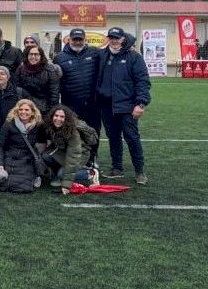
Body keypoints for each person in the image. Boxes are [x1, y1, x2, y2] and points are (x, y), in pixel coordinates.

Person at [96, 27, 150, 184]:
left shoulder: (134, 57)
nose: (114, 40)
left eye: (117, 38)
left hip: (127, 106)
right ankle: (117, 168)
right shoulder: (103, 55)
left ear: (123, 39)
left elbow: (143, 82)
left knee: (132, 138)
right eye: (111, 37)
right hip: (106, 106)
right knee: (113, 138)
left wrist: (140, 103)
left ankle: (139, 171)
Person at [54, 28, 102, 165]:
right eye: (75, 39)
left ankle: (93, 159)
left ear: (85, 39)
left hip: (92, 104)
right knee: (74, 133)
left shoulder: (95, 53)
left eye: (80, 39)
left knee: (93, 132)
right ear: (69, 40)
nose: (77, 42)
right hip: (71, 104)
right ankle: (75, 160)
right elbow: (56, 81)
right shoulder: (60, 57)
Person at [0, 99, 45, 194]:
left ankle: (35, 176)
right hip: (9, 156)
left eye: (27, 110)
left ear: (32, 112)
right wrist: (0, 165)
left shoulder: (38, 126)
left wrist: (37, 159)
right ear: (17, 111)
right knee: (2, 183)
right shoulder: (9, 124)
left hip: (26, 158)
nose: (23, 112)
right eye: (21, 109)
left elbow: (42, 142)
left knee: (24, 187)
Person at [42, 104, 100, 193]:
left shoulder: (72, 131)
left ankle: (91, 173)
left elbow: (73, 155)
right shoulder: (51, 125)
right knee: (46, 155)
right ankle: (58, 176)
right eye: (56, 116)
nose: (58, 119)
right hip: (65, 151)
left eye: (62, 117)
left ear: (67, 118)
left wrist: (66, 185)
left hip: (80, 154)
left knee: (62, 174)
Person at [13, 45, 61, 115]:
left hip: (44, 109)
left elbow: (54, 93)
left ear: (41, 56)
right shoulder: (21, 69)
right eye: (31, 54)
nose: (33, 57)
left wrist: (51, 112)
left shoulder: (50, 70)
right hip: (25, 108)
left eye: (36, 54)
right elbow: (16, 87)